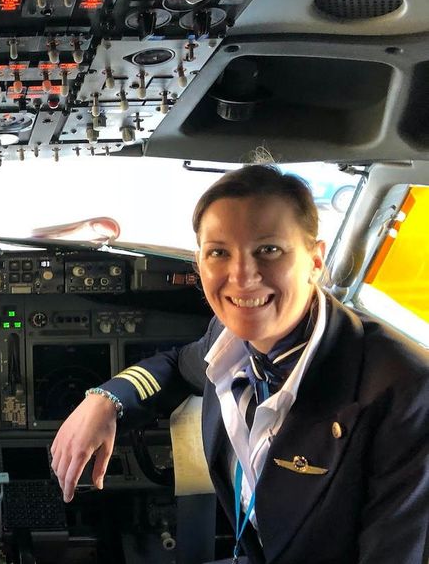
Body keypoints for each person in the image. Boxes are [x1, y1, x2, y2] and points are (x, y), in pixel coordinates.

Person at [50, 165, 429, 564]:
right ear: (199, 262)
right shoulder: (227, 339)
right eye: (219, 252)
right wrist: (107, 399)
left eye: (268, 250)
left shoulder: (403, 389)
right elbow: (180, 366)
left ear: (315, 260)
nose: (243, 276)